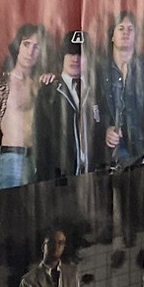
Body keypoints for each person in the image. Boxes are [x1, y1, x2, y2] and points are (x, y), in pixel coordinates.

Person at [0, 23, 42, 188]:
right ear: (17, 46)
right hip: (12, 158)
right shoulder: (0, 87)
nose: (30, 52)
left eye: (37, 47)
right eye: (26, 44)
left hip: (42, 159)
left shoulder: (42, 84)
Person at [97, 11, 144, 168]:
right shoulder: (100, 70)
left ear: (136, 36)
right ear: (112, 36)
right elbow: (94, 107)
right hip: (108, 153)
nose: (126, 32)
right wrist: (105, 129)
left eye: (130, 29)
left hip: (140, 151)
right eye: (121, 28)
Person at [34, 29, 94, 179]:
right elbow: (41, 140)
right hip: (60, 177)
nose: (75, 59)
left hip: (92, 176)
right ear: (62, 56)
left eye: (80, 54)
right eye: (70, 53)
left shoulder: (97, 90)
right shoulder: (48, 92)